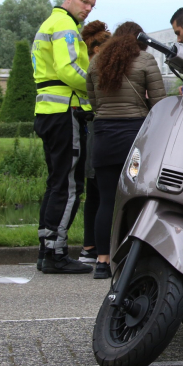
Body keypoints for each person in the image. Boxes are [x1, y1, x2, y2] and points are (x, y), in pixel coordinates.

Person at [86, 22, 166, 279]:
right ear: (140, 39)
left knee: (107, 200)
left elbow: (94, 102)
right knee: (137, 199)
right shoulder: (145, 60)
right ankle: (133, 259)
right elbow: (159, 103)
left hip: (104, 136)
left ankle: (102, 261)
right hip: (135, 137)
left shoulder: (97, 62)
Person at [33, 0, 97, 274]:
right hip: (64, 111)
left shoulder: (50, 22)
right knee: (70, 184)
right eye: (84, 2)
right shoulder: (65, 26)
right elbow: (69, 69)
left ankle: (46, 250)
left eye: (91, 6)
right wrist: (98, 87)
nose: (87, 9)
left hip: (48, 111)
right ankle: (56, 254)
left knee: (56, 182)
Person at [77, 20, 111, 264]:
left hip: (90, 127)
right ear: (98, 49)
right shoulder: (97, 67)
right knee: (103, 192)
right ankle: (98, 248)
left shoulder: (84, 63)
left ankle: (89, 245)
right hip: (96, 127)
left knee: (93, 193)